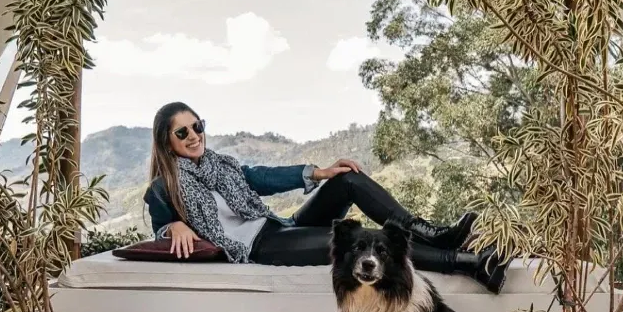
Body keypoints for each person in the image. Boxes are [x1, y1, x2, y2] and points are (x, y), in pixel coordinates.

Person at [143, 102, 509, 294]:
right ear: (166, 141)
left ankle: (429, 231)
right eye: (182, 131)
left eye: (198, 126)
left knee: (348, 178)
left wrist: (320, 173)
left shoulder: (221, 164)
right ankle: (467, 263)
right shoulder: (165, 186)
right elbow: (161, 227)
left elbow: (263, 178)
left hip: (279, 227)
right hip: (261, 247)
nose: (194, 135)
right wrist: (173, 224)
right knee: (358, 241)